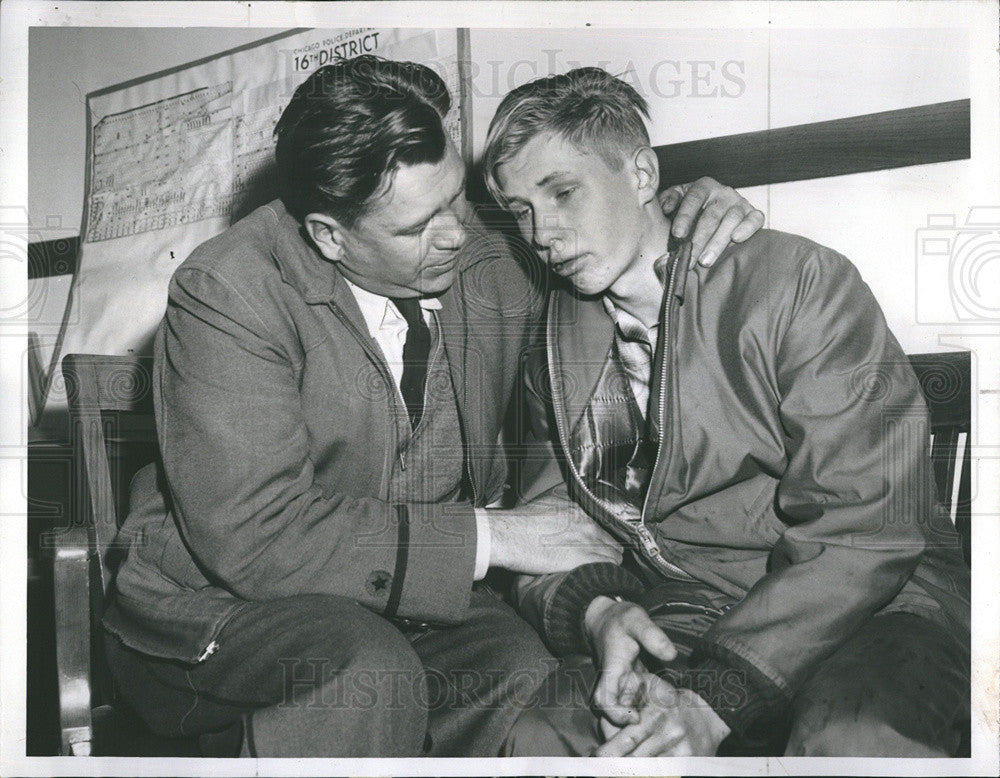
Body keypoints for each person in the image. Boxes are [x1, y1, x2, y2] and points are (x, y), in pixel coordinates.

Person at [100, 56, 763, 757]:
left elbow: (608, 239)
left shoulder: (488, 252)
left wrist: (685, 210)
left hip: (402, 605)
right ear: (330, 235)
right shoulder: (228, 291)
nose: (456, 232)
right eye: (419, 224)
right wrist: (496, 536)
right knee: (367, 670)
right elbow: (257, 535)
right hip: (221, 610)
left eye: (455, 196)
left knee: (533, 680)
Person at [482, 67, 971, 757]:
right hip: (694, 606)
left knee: (852, 737)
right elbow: (544, 530)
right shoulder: (554, 340)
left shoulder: (800, 285)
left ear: (644, 174)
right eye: (520, 210)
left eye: (562, 192)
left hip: (882, 602)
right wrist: (599, 612)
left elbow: (870, 530)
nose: (541, 231)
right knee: (549, 732)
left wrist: (716, 696)